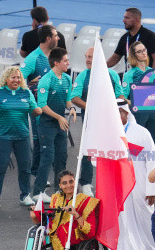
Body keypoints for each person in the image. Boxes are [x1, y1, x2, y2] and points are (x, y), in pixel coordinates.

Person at [106, 100, 155, 250]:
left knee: (146, 221)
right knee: (121, 225)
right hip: (117, 189)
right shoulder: (107, 134)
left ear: (125, 113)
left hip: (140, 188)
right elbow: (97, 162)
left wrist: (152, 189)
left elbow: (152, 162)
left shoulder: (141, 133)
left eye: (118, 113)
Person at [0, 66, 42, 208]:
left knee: (25, 167)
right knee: (1, 166)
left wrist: (38, 110)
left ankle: (25, 195)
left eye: (18, 77)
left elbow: (34, 111)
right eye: (13, 77)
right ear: (6, 79)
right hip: (4, 136)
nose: (16, 80)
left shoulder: (27, 93)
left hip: (22, 135)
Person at [71, 47, 124, 197]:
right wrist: (93, 108)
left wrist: (124, 103)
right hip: (90, 119)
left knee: (109, 148)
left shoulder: (113, 75)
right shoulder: (83, 76)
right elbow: (75, 97)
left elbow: (119, 95)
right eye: (86, 56)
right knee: (89, 149)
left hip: (109, 119)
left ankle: (108, 180)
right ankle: (85, 183)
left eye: (91, 57)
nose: (87, 60)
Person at [30, 170, 99, 250]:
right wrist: (36, 213)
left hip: (74, 235)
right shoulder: (55, 198)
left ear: (75, 182)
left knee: (63, 229)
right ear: (60, 186)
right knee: (36, 231)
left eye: (71, 182)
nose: (68, 185)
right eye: (64, 183)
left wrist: (75, 214)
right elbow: (49, 219)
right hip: (54, 233)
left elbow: (90, 231)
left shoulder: (87, 201)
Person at [33, 48, 76, 202]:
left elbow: (68, 100)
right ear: (57, 63)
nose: (68, 63)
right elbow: (42, 105)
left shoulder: (67, 79)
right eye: (65, 61)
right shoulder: (46, 80)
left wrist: (71, 108)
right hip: (47, 124)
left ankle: (61, 189)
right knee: (48, 156)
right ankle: (38, 191)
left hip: (60, 123)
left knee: (62, 156)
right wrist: (59, 117)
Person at [21, 25, 60, 178]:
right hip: (38, 106)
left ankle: (52, 173)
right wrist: (29, 85)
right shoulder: (33, 58)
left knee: (55, 139)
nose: (58, 38)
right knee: (40, 139)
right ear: (48, 39)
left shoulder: (56, 56)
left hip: (56, 104)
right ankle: (37, 173)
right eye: (56, 36)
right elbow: (17, 78)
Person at [122, 41, 155, 155]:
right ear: (134, 55)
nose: (143, 53)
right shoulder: (130, 74)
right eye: (139, 51)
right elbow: (123, 97)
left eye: (144, 50)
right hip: (139, 112)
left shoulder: (153, 72)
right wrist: (135, 102)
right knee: (138, 143)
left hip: (154, 111)